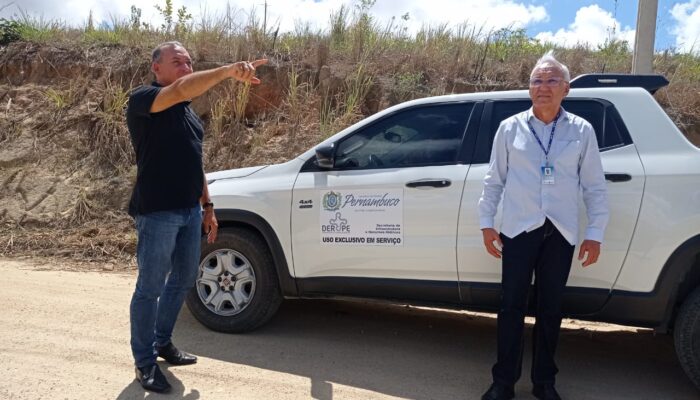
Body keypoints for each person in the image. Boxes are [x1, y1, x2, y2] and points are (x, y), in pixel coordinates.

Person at [126, 41, 266, 393]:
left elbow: (195, 163)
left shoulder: (188, 114)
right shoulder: (143, 99)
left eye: (189, 61)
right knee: (150, 287)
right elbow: (181, 89)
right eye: (177, 61)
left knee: (185, 278)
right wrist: (228, 71)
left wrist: (208, 206)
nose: (186, 65)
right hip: (157, 211)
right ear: (156, 67)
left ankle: (162, 342)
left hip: (190, 210)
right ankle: (144, 363)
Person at [477, 51, 609, 400]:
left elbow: (594, 186)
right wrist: (486, 223)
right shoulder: (510, 128)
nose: (543, 86)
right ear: (529, 88)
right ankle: (503, 382)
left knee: (551, 309)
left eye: (552, 80)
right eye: (537, 80)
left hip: (561, 231)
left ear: (565, 88)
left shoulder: (582, 130)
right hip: (518, 229)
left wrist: (594, 234)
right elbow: (494, 180)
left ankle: (544, 382)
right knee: (511, 307)